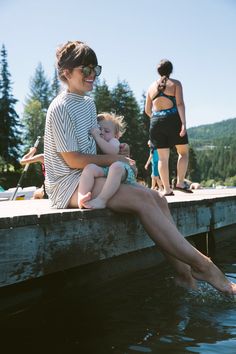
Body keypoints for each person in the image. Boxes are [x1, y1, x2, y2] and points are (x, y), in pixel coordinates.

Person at [43, 40, 236, 296]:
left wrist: (116, 152)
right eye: (85, 70)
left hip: (89, 175)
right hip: (67, 184)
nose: (92, 76)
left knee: (157, 198)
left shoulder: (88, 104)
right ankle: (206, 267)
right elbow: (73, 161)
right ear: (66, 72)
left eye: (95, 70)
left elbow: (92, 149)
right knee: (142, 198)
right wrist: (113, 161)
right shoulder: (60, 107)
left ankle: (184, 277)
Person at [145, 59, 192, 196]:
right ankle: (180, 182)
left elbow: (147, 110)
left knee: (162, 158)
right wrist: (183, 123)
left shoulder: (151, 87)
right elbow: (180, 104)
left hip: (156, 121)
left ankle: (166, 189)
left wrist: (156, 119)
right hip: (173, 120)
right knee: (183, 153)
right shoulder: (176, 84)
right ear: (171, 70)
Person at [78, 113, 137, 209]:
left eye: (106, 131)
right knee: (89, 168)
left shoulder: (114, 141)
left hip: (122, 170)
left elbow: (111, 152)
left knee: (116, 167)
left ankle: (102, 200)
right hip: (106, 170)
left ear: (116, 135)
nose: (102, 132)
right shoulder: (98, 142)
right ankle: (82, 197)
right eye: (99, 129)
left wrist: (97, 137)